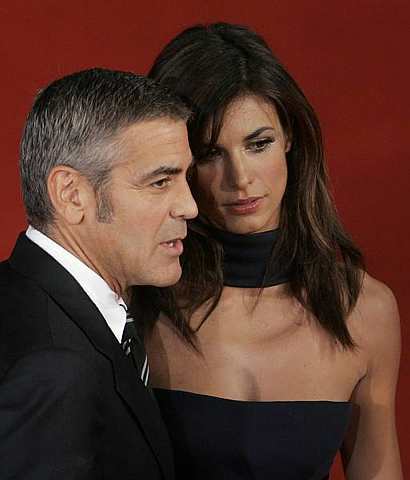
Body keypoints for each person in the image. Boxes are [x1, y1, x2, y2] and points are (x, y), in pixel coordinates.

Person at [137, 23, 402, 479]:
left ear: (290, 139)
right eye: (210, 153)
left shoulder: (365, 310)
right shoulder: (137, 302)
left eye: (258, 144)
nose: (240, 179)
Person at [0, 68, 197, 479]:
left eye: (186, 178)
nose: (189, 206)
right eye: (160, 182)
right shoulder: (52, 367)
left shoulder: (23, 301)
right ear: (72, 195)